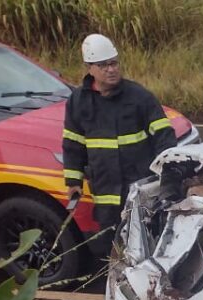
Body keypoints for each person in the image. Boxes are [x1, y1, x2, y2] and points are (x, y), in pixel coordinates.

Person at [62, 34, 177, 261]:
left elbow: (164, 137)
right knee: (113, 247)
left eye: (114, 63)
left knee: (148, 243)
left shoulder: (139, 97)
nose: (111, 69)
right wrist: (73, 182)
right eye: (103, 65)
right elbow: (73, 144)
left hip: (140, 189)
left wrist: (167, 176)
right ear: (90, 68)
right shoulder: (78, 101)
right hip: (105, 193)